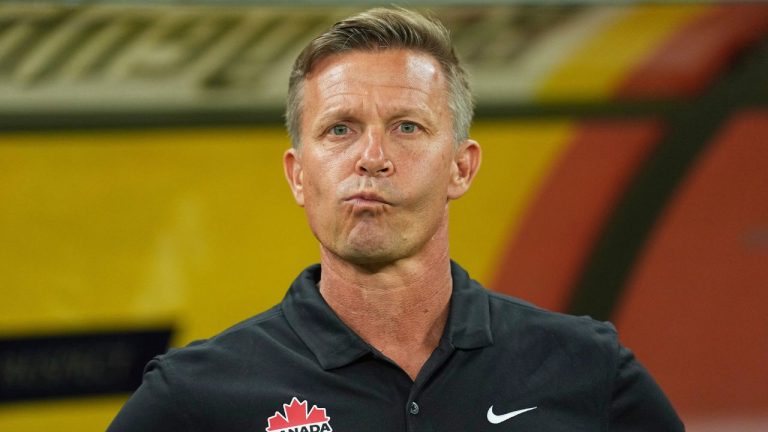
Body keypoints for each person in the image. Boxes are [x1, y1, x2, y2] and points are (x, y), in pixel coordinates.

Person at [108, 7, 684, 431]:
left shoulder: (587, 370)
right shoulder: (196, 396)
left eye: (407, 127)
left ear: (461, 167)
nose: (372, 157)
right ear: (298, 176)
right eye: (340, 129)